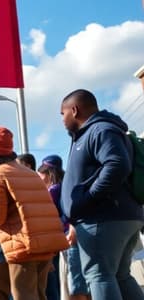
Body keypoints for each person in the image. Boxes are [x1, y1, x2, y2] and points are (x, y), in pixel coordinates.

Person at [0, 126, 68, 299]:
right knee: (36, 294)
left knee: (12, 294)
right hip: (40, 245)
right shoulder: (31, 173)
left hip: (16, 245)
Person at [59, 89, 144, 300]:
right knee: (121, 276)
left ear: (74, 110)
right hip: (115, 216)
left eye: (63, 114)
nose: (62, 119)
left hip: (103, 218)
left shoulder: (99, 130)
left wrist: (88, 197)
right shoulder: (97, 131)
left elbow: (117, 164)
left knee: (99, 275)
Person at [38, 155, 89, 300]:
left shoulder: (53, 190)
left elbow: (48, 215)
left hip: (67, 236)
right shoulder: (66, 185)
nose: (39, 177)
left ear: (49, 173)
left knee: (73, 282)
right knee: (83, 281)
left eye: (41, 173)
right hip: (76, 233)